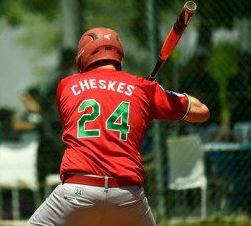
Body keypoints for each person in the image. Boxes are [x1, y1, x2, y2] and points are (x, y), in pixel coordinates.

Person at [28, 27, 209, 226]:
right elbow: (202, 112)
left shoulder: (67, 85)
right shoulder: (142, 88)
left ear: (84, 56)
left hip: (78, 190)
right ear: (118, 55)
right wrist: (156, 94)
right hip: (127, 195)